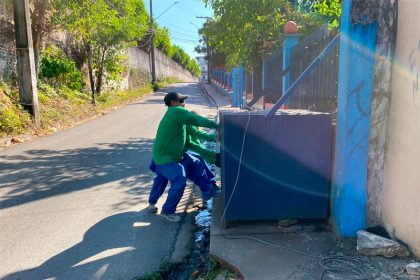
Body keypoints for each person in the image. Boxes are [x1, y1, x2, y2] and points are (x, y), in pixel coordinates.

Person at [149, 92, 218, 222]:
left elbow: (193, 134)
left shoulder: (180, 118)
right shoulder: (176, 111)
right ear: (173, 103)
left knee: (197, 162)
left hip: (176, 156)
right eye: (181, 100)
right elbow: (196, 119)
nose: (183, 103)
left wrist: (213, 139)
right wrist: (217, 125)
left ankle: (208, 192)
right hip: (164, 159)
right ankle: (167, 211)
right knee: (175, 179)